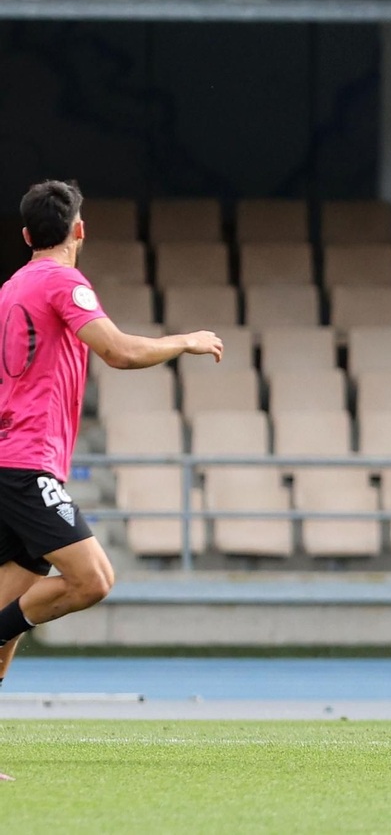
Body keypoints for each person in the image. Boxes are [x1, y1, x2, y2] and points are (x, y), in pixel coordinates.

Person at [0, 182, 224, 714]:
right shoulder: (62, 281)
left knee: (12, 603)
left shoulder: (11, 287)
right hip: (26, 463)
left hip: (12, 458)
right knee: (92, 580)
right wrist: (184, 341)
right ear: (79, 230)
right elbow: (118, 352)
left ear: (27, 235)